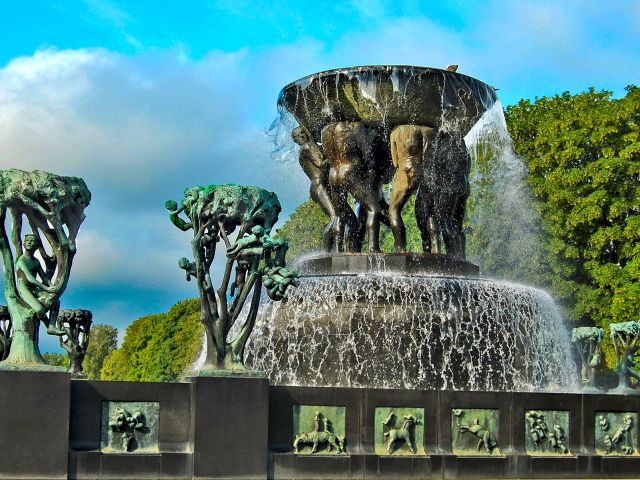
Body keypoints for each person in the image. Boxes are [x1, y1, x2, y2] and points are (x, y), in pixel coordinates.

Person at [15, 234, 64, 335]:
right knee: (40, 309)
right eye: (27, 240)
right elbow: (30, 278)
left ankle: (52, 326)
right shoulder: (21, 260)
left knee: (56, 301)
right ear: (23, 243)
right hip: (23, 289)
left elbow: (44, 277)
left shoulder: (36, 261)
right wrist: (47, 289)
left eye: (32, 241)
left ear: (37, 246)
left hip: (34, 290)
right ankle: (47, 324)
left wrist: (51, 286)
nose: (29, 242)